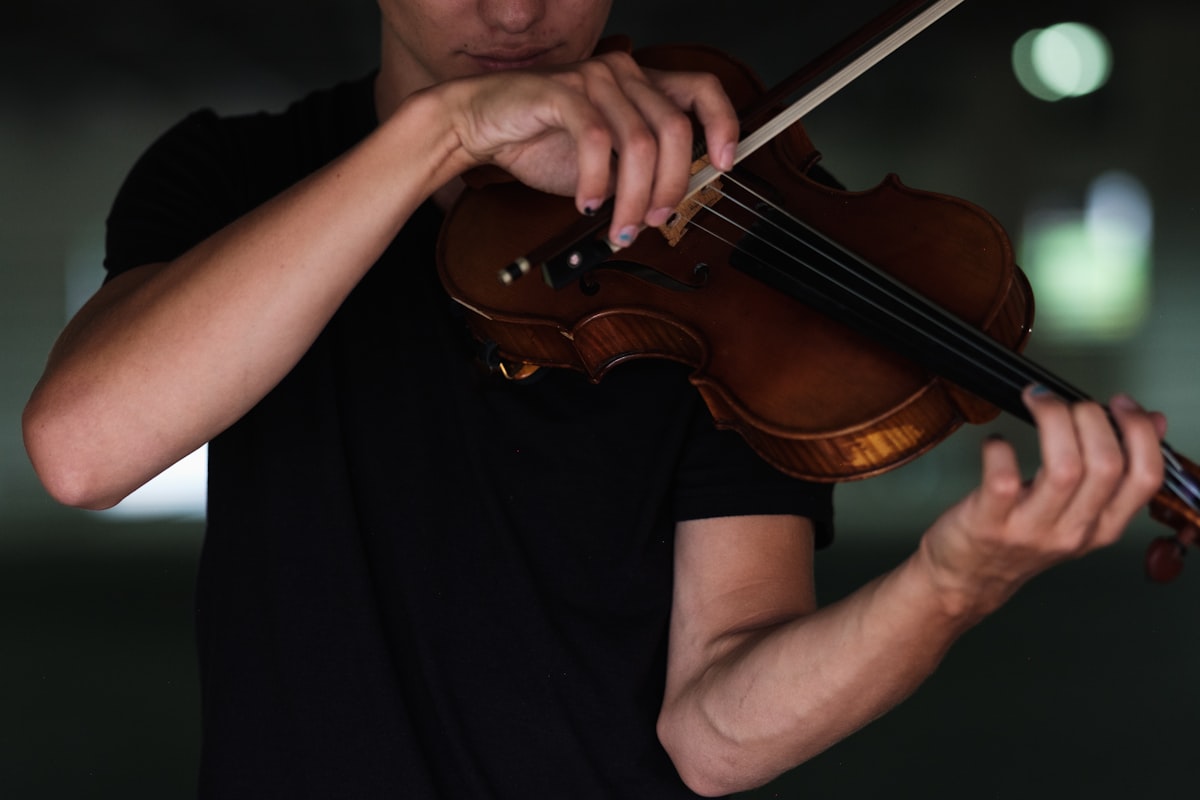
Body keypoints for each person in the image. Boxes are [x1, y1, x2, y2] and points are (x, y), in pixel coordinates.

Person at [22, 1, 1168, 798]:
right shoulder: (228, 175)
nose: (520, 14)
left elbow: (715, 735)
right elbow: (84, 448)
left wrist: (946, 587)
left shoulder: (722, 246)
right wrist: (444, 133)